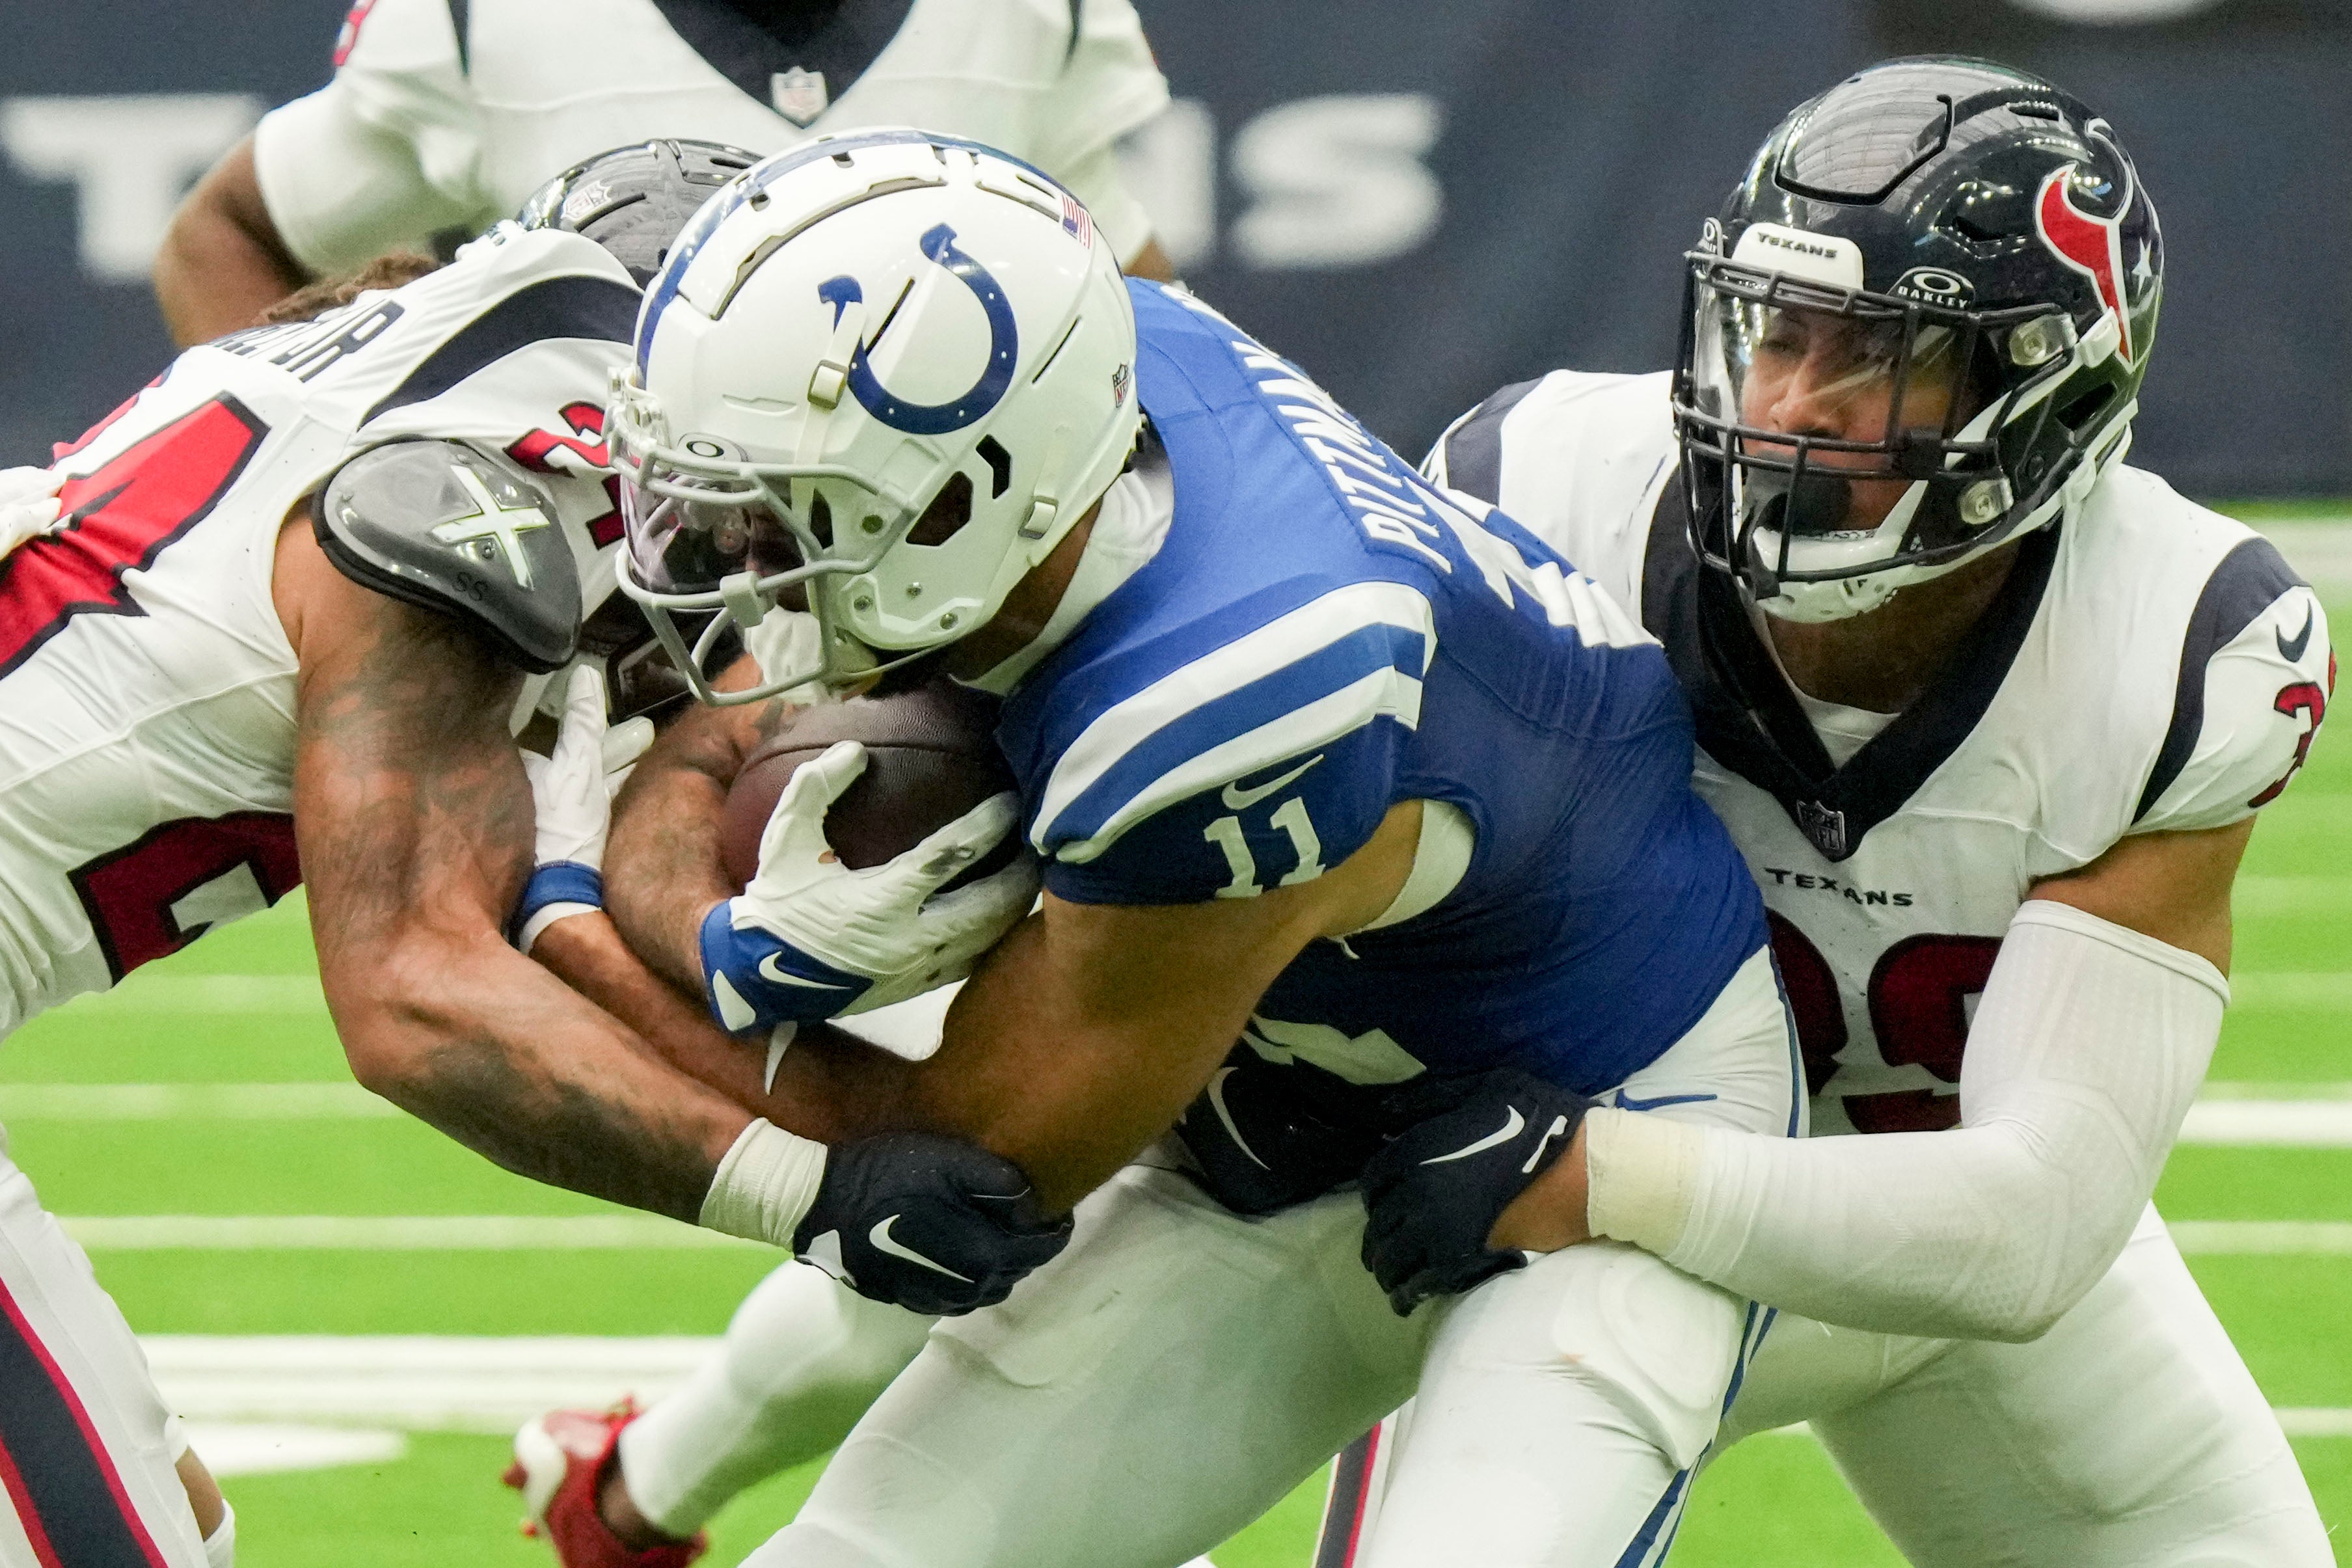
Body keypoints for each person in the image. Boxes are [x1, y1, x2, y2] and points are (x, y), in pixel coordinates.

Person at [513, 126, 1800, 1568]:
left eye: (782, 515)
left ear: (964, 499)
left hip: (1600, 1105)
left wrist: (597, 913)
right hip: (1278, 1101)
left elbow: (968, 1157)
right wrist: (703, 790)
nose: (732, 557)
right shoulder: (1091, 369)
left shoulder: (1225, 691)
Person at [1319, 56, 2334, 1566]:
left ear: (2041, 388)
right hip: (1566, 1242)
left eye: (1874, 355)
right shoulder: (1539, 491)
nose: (1789, 402)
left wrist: (1598, 1173)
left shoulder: (2177, 643)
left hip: (1866, 1222)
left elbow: (2032, 1221)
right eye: (1776, 332)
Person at [0, 144, 1046, 1568]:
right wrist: (808, 1193)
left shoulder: (399, 371)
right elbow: (414, 999)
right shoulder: (455, 508)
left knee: (176, 1522)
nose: (752, 530)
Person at [154, 0, 1176, 345]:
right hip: (614, 644)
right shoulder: (480, 22)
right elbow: (225, 241)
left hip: (939, 620)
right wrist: (311, 510)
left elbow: (1132, 299)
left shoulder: (1035, 15)